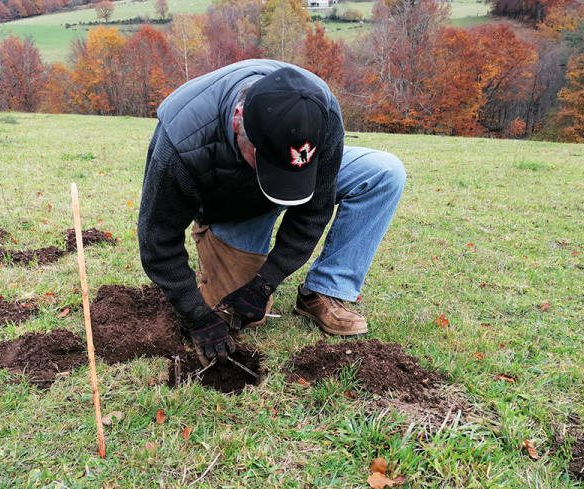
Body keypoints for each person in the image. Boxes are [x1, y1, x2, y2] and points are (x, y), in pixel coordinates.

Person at [138, 59, 405, 366]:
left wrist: (266, 283)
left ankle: (325, 289)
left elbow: (313, 212)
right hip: (229, 204)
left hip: (295, 170)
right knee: (238, 313)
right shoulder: (181, 141)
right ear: (238, 120)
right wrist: (197, 316)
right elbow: (157, 242)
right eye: (266, 161)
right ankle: (214, 239)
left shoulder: (319, 113)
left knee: (385, 172)